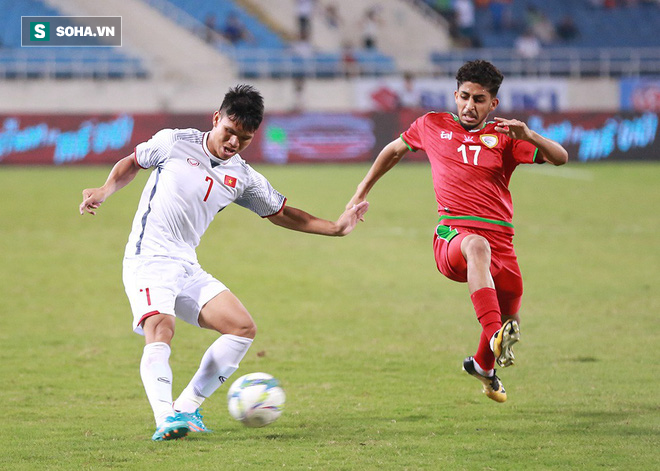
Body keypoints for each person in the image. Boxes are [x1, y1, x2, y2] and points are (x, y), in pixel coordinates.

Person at [79, 84, 369, 440]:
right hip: (148, 256)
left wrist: (336, 228)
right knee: (161, 327)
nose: (233, 143)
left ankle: (186, 408)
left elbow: (281, 213)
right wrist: (103, 191)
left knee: (242, 327)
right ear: (216, 118)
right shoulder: (174, 141)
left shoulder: (243, 177)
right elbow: (132, 162)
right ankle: (164, 416)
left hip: (185, 263)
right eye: (229, 132)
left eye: (244, 138)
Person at [346, 60, 568, 403]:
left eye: (479, 99)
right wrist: (361, 191)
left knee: (512, 310)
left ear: (493, 104)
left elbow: (561, 157)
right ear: (455, 94)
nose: (469, 105)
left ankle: (483, 365)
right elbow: (393, 150)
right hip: (453, 237)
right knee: (477, 249)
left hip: (502, 243)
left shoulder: (507, 137)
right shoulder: (432, 125)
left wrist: (530, 135)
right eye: (464, 96)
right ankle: (493, 335)